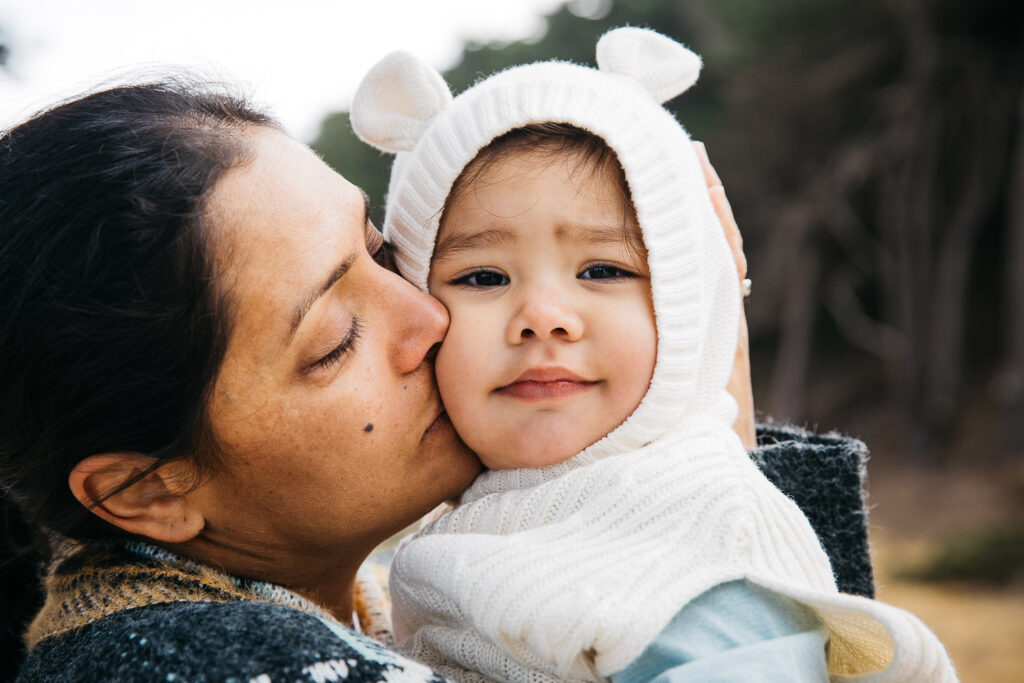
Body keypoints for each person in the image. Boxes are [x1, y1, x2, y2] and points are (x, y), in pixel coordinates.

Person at [0, 64, 877, 683]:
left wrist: (706, 404)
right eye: (337, 337)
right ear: (146, 491)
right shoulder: (224, 663)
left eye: (382, 252)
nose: (430, 316)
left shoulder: (372, 600)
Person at [349, 27, 957, 682]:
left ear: (688, 303)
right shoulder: (461, 530)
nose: (543, 319)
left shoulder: (698, 545)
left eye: (603, 269)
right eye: (484, 278)